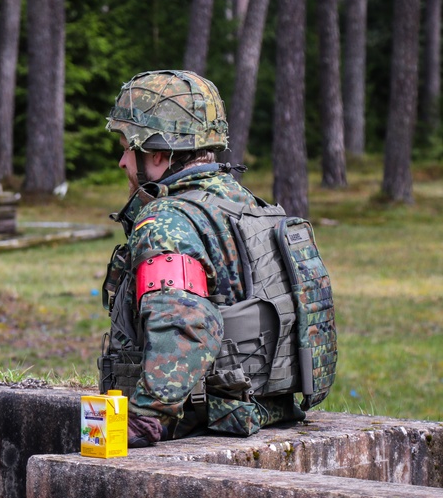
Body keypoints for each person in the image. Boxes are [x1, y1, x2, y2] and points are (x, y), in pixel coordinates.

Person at [98, 70, 335, 447]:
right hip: (258, 410)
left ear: (157, 154)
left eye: (128, 146)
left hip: (197, 421)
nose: (123, 161)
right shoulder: (241, 202)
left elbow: (185, 325)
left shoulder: (166, 221)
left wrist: (145, 418)